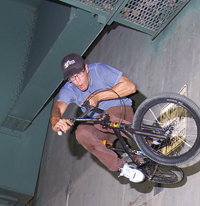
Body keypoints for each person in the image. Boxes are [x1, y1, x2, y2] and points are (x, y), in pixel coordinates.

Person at [50, 53, 145, 183]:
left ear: (86, 68)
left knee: (101, 120)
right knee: (81, 133)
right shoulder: (69, 89)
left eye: (80, 74)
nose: (77, 81)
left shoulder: (98, 70)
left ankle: (147, 140)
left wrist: (98, 96)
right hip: (104, 126)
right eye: (73, 77)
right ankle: (123, 168)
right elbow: (57, 109)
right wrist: (56, 123)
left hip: (122, 111)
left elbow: (130, 87)